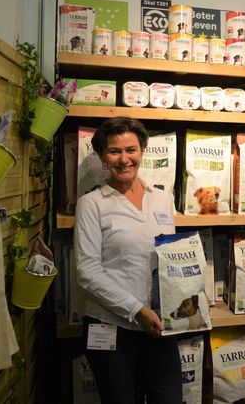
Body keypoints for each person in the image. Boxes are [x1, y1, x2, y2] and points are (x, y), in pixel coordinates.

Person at [75, 117, 181, 403]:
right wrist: (137, 310)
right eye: (114, 151)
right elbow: (87, 272)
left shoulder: (162, 199)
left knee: (168, 398)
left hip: (159, 324)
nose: (124, 159)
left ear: (142, 151)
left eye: (131, 150)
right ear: (102, 157)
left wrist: (188, 291)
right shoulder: (92, 204)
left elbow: (170, 256)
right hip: (111, 327)